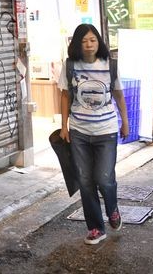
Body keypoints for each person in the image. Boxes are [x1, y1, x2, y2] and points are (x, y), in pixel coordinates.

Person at [59, 24, 128, 246]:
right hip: (79, 131)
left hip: (106, 131)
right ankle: (96, 228)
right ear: (77, 44)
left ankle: (113, 209)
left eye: (93, 40)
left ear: (99, 42)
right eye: (84, 41)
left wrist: (125, 122)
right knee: (85, 181)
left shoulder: (110, 65)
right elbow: (64, 96)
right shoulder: (70, 66)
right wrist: (64, 126)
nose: (89, 45)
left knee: (105, 179)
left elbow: (118, 95)